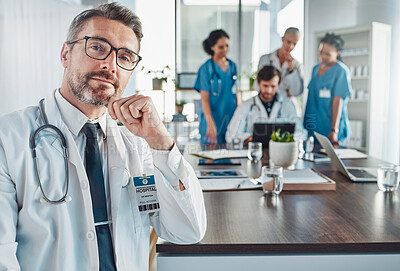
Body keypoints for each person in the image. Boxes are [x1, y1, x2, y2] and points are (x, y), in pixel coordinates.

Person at [0, 3, 206, 271]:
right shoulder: (10, 137)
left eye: (126, 56)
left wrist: (161, 142)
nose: (111, 65)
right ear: (65, 54)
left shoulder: (138, 146)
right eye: (97, 47)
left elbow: (187, 231)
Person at [226, 65, 303, 144]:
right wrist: (249, 137)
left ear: (278, 85)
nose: (269, 91)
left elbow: (301, 133)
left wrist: (283, 138)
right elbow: (231, 135)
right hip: (253, 152)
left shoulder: (287, 105)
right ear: (258, 83)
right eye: (265, 86)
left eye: (273, 86)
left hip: (281, 152)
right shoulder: (245, 106)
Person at [304, 33, 352, 146]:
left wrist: (334, 130)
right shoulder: (315, 69)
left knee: (331, 162)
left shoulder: (341, 71)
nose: (322, 56)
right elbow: (311, 100)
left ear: (338, 53)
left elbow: (337, 101)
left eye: (327, 54)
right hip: (314, 126)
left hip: (331, 128)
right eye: (321, 52)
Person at [194, 29, 238, 144]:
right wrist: (210, 123)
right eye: (221, 47)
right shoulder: (205, 69)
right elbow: (204, 99)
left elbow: (236, 94)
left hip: (230, 119)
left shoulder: (233, 67)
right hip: (212, 120)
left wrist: (239, 118)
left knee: (231, 158)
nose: (225, 50)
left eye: (227, 46)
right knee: (210, 158)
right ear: (212, 47)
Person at [257, 27, 303, 98]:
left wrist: (292, 70)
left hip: (285, 103)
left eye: (294, 44)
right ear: (282, 39)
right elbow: (258, 85)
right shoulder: (265, 59)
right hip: (267, 100)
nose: (291, 46)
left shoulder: (297, 65)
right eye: (289, 42)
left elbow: (296, 92)